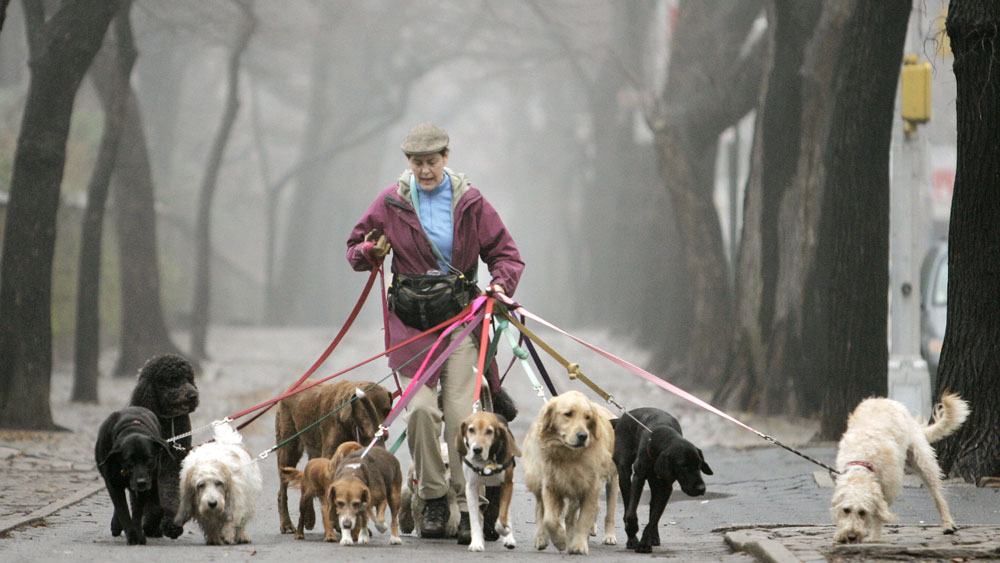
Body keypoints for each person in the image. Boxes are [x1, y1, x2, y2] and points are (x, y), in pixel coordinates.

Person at [346, 123, 524, 543]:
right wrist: (370, 251)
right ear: (408, 163)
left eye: (432, 161)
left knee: (462, 417)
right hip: (410, 326)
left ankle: (468, 507)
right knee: (422, 411)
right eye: (417, 162)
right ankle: (433, 497)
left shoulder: (470, 201)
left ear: (446, 158)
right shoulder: (391, 202)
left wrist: (500, 284)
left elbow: (506, 254)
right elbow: (354, 248)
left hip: (461, 320)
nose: (425, 170)